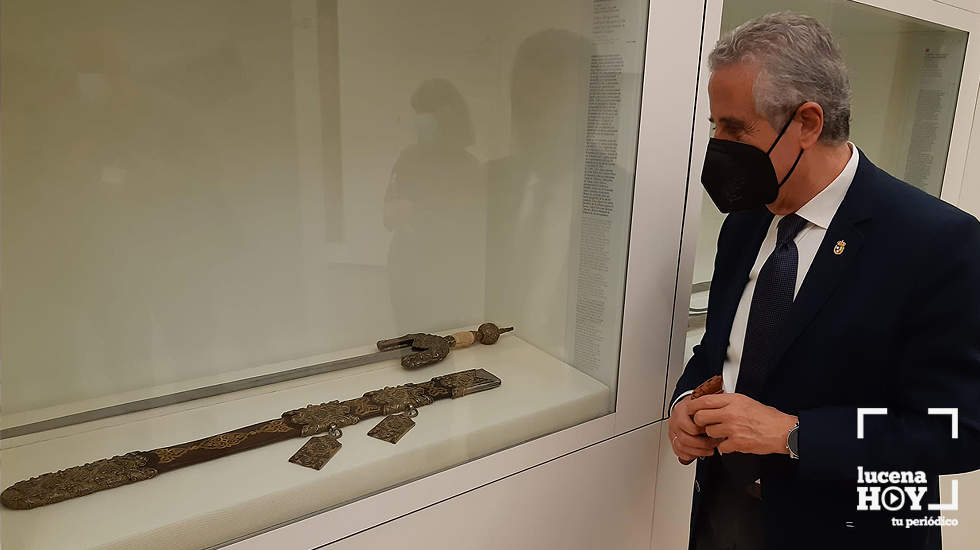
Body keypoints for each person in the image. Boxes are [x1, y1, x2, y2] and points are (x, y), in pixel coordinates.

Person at [667, 12, 980, 550]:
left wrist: (794, 434)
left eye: (735, 128)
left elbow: (959, 429)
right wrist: (686, 404)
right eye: (714, 126)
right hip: (724, 514)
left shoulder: (939, 243)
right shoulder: (745, 220)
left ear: (807, 123)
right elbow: (722, 349)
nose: (718, 144)